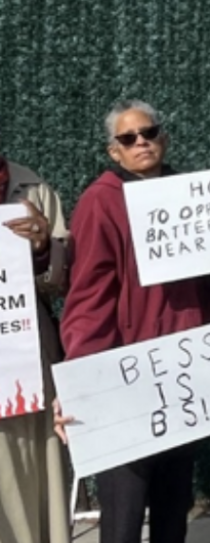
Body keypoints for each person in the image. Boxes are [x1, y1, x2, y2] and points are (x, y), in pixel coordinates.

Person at [59, 100, 210, 543]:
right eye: (128, 138)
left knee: (172, 511)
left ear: (164, 138)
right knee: (123, 519)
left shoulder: (189, 194)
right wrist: (80, 382)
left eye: (149, 132)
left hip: (183, 377)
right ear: (114, 152)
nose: (141, 141)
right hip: (124, 381)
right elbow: (88, 297)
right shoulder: (99, 203)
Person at [0, 156, 69, 543]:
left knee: (40, 474)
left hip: (27, 356)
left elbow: (64, 279)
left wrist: (43, 246)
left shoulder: (31, 187)